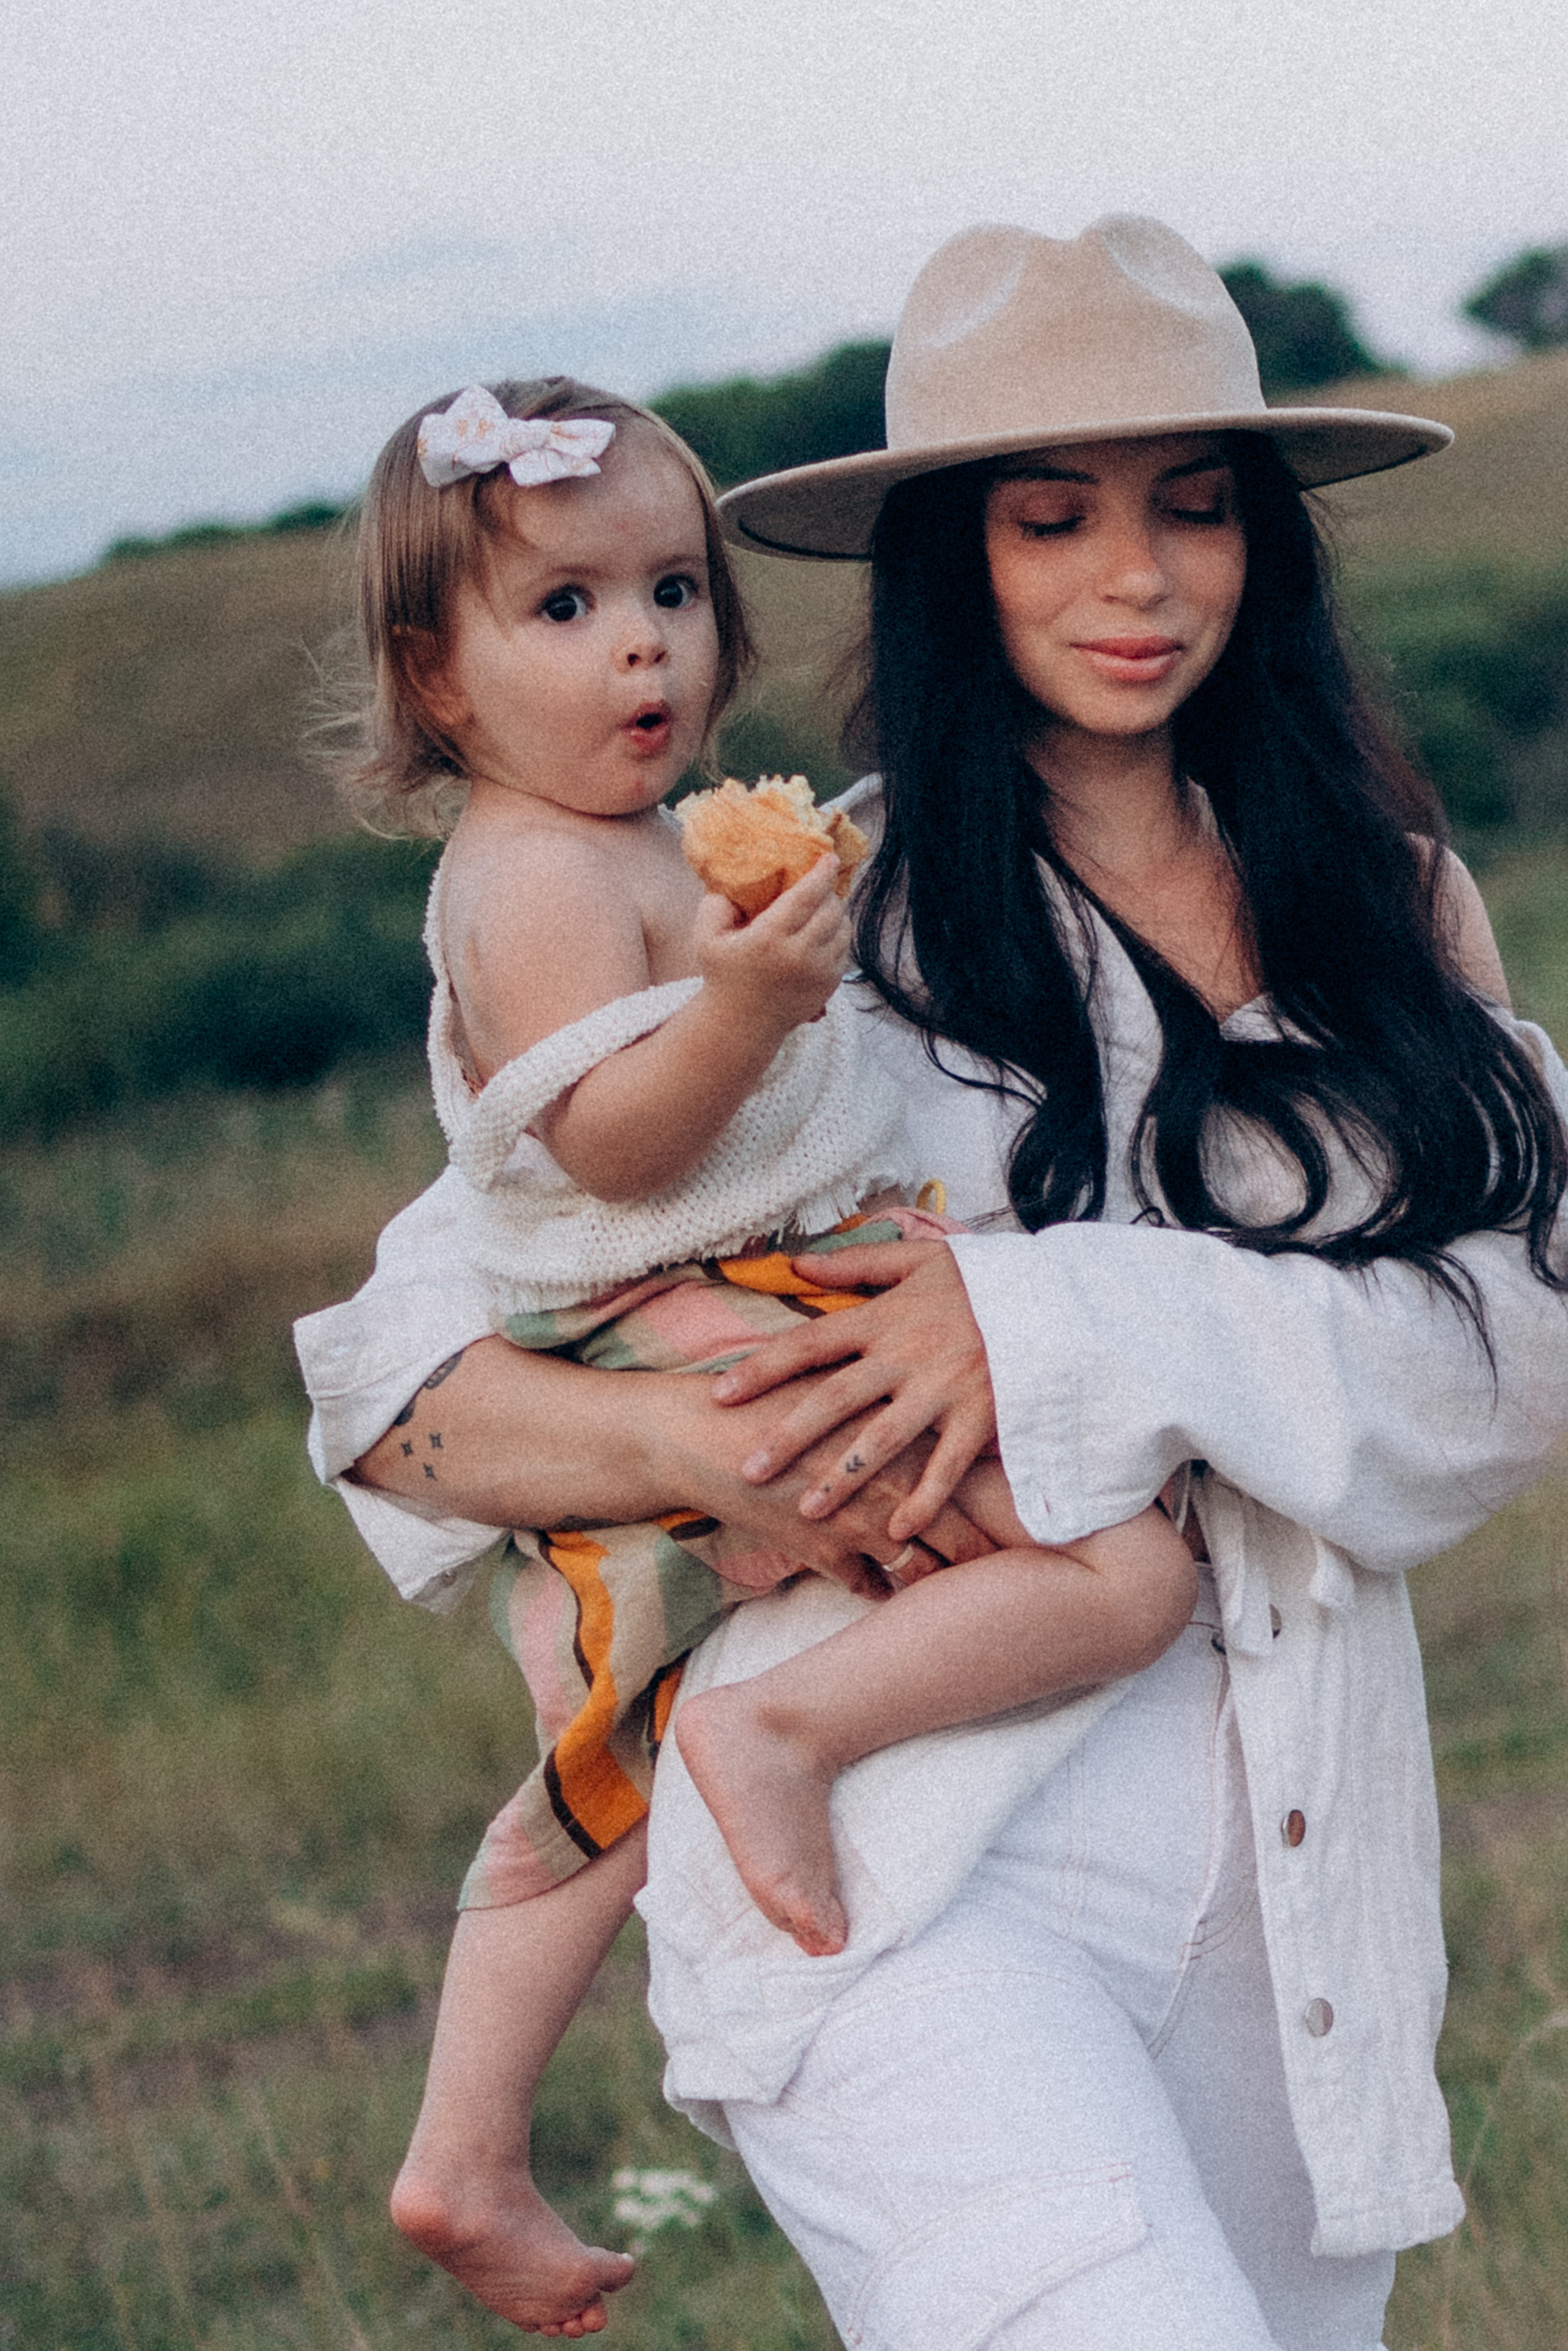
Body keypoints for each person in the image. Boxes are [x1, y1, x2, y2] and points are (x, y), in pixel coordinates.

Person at [297, 217, 1568, 2349]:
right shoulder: (813, 926)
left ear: (1265, 541)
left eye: (1194, 508)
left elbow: (1516, 1359)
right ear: (947, 563)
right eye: (1050, 519)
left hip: (1297, 1877)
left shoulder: (1398, 912)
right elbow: (411, 1376)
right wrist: (722, 1442)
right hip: (897, 1849)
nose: (1135, 580)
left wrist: (1041, 1328)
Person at [315, 362, 1199, 2326]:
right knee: (1126, 1572)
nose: (640, 645)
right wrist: (744, 1009)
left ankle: (465, 2152)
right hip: (675, 1316)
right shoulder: (532, 873)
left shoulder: (642, 842)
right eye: (563, 607)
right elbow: (611, 1142)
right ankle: (788, 1728)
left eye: (672, 593)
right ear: (436, 678)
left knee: (602, 1747)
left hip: (743, 1287)